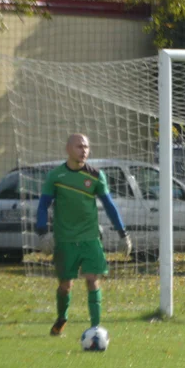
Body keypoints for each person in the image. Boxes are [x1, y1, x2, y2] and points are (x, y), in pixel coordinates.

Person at [35, 134, 130, 337]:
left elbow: (109, 205)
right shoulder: (56, 176)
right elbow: (43, 205)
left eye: (86, 146)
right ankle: (62, 318)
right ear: (68, 149)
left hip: (90, 238)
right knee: (65, 285)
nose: (84, 150)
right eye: (79, 146)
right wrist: (43, 233)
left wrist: (123, 233)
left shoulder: (96, 176)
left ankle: (95, 328)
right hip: (65, 240)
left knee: (92, 279)